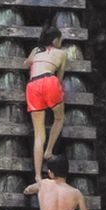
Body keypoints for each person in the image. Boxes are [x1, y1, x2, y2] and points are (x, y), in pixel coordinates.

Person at [24, 22, 67, 184]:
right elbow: (60, 77)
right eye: (60, 39)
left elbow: (27, 63)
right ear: (55, 41)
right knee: (59, 118)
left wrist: (29, 62)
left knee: (38, 134)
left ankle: (37, 176)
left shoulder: (36, 50)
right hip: (50, 82)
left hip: (33, 85)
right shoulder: (61, 54)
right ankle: (48, 151)